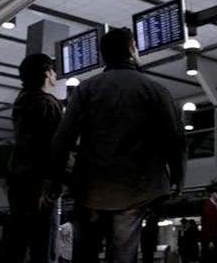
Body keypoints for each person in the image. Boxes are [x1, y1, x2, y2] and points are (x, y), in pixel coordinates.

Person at [49, 28, 186, 263]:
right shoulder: (155, 90)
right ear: (132, 50)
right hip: (134, 190)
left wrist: (57, 179)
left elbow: (63, 139)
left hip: (90, 188)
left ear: (104, 56)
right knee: (123, 253)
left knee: (84, 252)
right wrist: (178, 177)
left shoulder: (85, 89)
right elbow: (174, 139)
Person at [8, 53, 62, 263]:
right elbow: (56, 145)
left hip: (18, 178)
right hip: (41, 183)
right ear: (47, 74)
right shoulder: (48, 104)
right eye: (53, 70)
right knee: (43, 243)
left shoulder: (21, 101)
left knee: (19, 241)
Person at [201, 183, 217, 263]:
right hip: (212, 241)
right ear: (211, 194)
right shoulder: (209, 207)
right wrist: (210, 240)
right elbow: (208, 225)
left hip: (215, 239)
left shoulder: (214, 206)